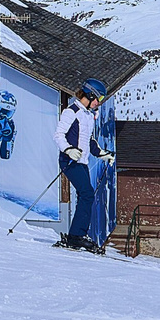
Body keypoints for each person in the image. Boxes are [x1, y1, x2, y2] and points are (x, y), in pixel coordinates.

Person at [56, 79, 110, 249]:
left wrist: (101, 153)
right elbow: (58, 135)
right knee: (87, 193)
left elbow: (89, 140)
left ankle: (76, 235)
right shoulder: (71, 112)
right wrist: (68, 149)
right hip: (70, 160)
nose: (98, 103)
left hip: (82, 161)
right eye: (98, 99)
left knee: (85, 194)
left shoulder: (88, 115)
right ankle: (77, 235)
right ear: (90, 94)